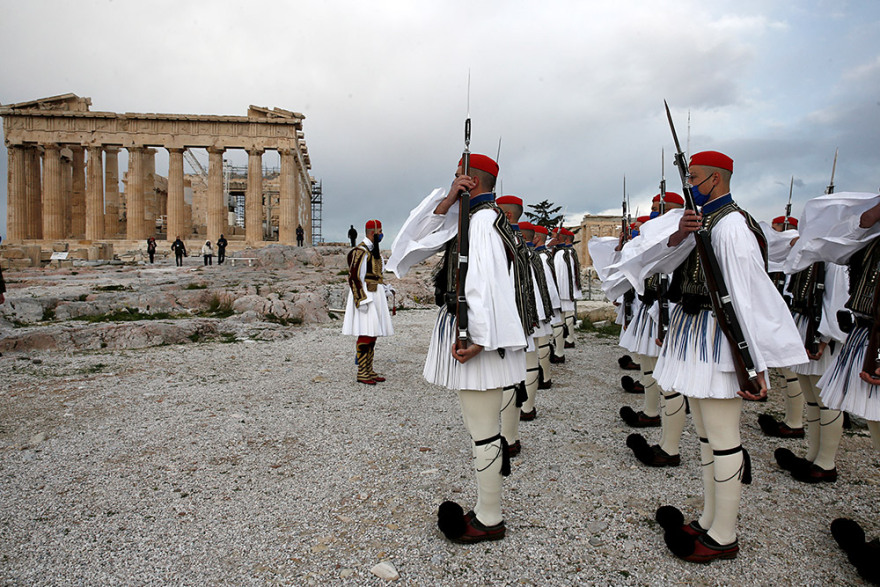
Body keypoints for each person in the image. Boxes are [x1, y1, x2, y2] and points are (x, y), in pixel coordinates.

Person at [618, 150, 806, 562]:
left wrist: (754, 365)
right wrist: (678, 236)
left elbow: (748, 296)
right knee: (705, 435)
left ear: (716, 181)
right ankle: (708, 518)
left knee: (723, 439)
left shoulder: (732, 225)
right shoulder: (703, 220)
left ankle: (725, 534)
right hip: (697, 330)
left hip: (719, 338)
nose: (690, 186)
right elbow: (655, 266)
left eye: (696, 178)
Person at [388, 153, 527, 544]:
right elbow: (415, 239)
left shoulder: (481, 224)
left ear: (472, 181)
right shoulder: (480, 218)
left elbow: (482, 285)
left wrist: (477, 338)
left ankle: (489, 518)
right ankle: (488, 509)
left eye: (456, 178)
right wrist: (449, 199)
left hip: (477, 337)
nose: (451, 183)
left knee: (482, 431)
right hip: (480, 334)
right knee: (485, 428)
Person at [783, 191, 880, 479]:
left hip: (829, 331)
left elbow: (837, 298)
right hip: (812, 325)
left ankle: (825, 462)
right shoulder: (859, 246)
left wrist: (824, 338)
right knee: (812, 395)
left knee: (827, 400)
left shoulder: (844, 255)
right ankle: (814, 456)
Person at [342, 219, 394, 384]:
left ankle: (368, 369)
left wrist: (385, 290)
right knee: (365, 333)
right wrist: (361, 300)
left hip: (375, 296)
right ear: (373, 232)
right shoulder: (360, 251)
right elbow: (355, 277)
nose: (381, 235)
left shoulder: (373, 251)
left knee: (373, 334)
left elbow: (376, 276)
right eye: (380, 232)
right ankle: (362, 372)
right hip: (366, 298)